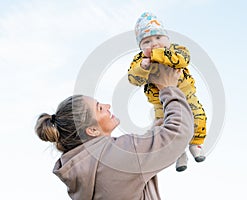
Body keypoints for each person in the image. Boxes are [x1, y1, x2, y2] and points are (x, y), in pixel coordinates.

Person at [35, 65, 194, 200]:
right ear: (92, 130)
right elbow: (178, 133)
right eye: (99, 108)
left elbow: (143, 151)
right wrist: (169, 88)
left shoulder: (81, 171)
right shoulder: (118, 155)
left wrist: (160, 122)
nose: (107, 106)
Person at [128, 12, 207, 172]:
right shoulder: (140, 59)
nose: (154, 43)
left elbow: (182, 60)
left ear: (167, 39)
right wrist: (143, 67)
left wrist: (157, 54)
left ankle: (196, 143)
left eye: (158, 38)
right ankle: (179, 154)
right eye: (147, 41)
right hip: (160, 102)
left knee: (198, 116)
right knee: (168, 127)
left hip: (187, 96)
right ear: (141, 46)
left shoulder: (176, 49)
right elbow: (133, 79)